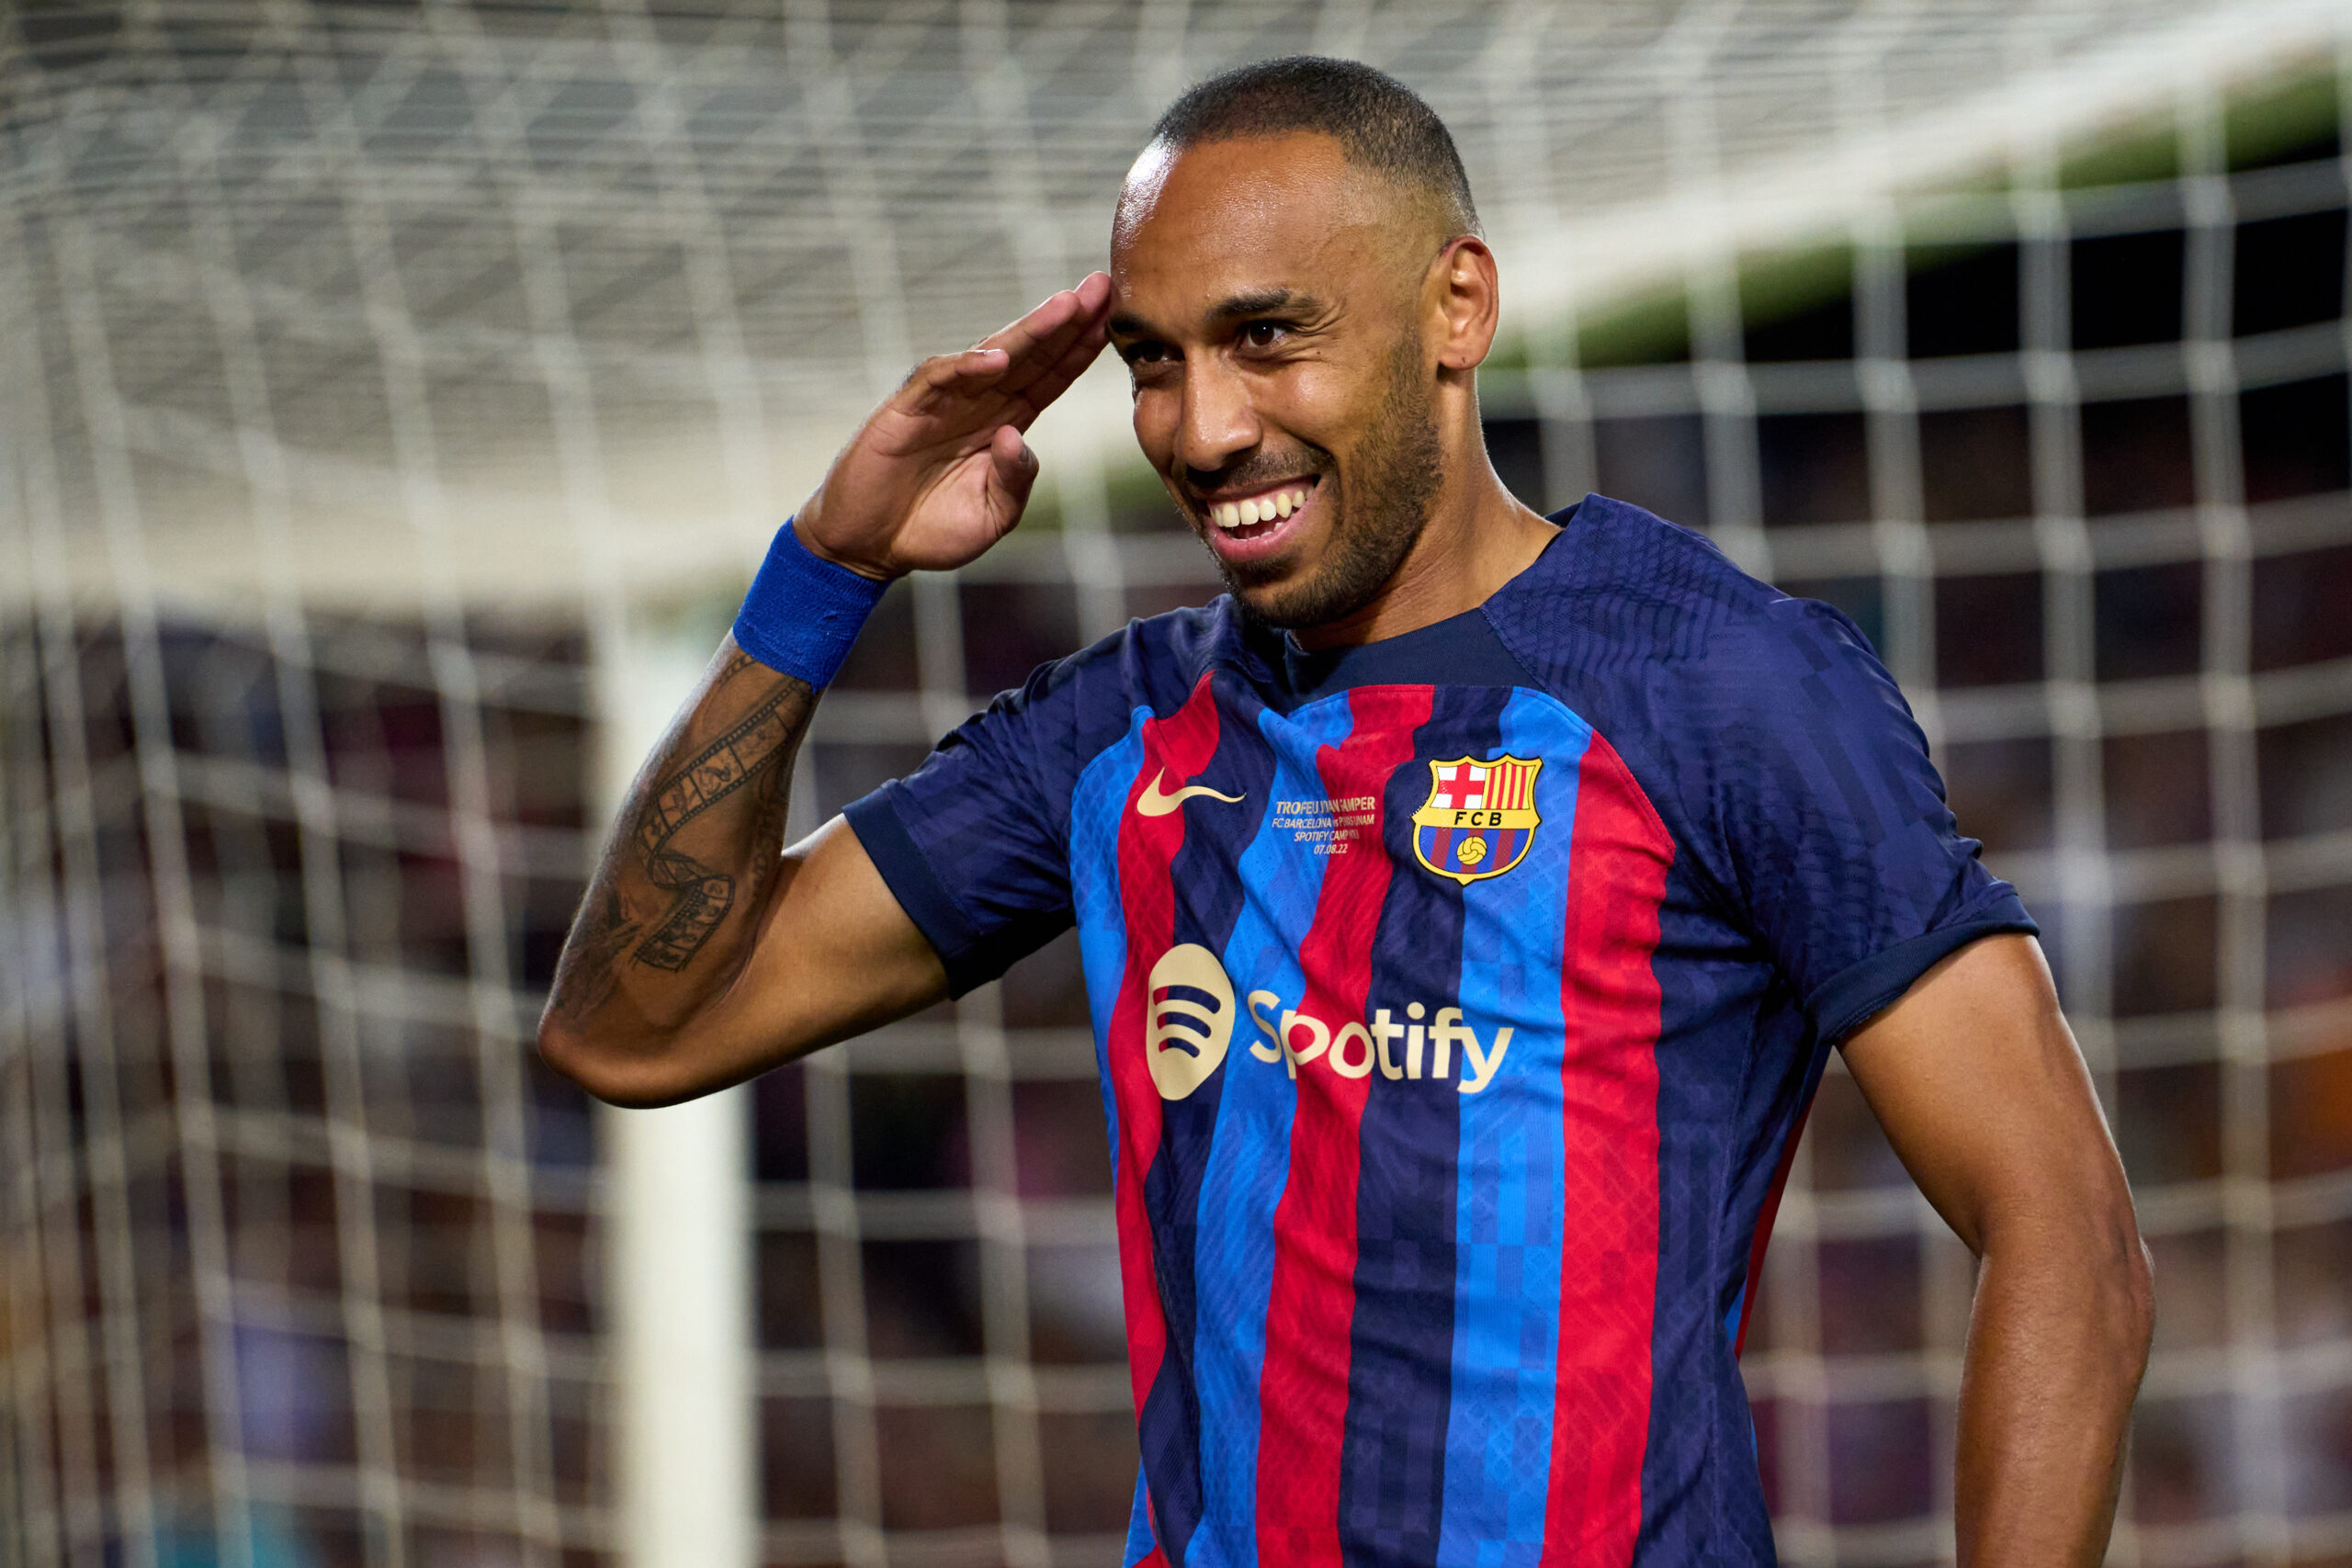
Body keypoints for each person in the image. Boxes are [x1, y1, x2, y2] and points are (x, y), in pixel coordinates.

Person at [540, 55, 2153, 1568]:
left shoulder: (1718, 687)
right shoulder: (1120, 731)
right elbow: (636, 1033)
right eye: (1151, 363)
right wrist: (827, 571)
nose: (1202, 426)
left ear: (1459, 306)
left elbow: (2065, 1229)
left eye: (1266, 336)